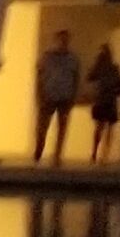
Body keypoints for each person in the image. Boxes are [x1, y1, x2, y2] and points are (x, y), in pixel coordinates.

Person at [32, 30, 82, 163]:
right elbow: (39, 77)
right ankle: (38, 151)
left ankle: (57, 154)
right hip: (48, 96)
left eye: (66, 40)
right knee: (43, 127)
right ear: (56, 40)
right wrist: (39, 95)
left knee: (62, 128)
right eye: (61, 40)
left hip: (65, 97)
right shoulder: (46, 57)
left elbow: (76, 78)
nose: (64, 43)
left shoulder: (73, 59)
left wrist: (73, 96)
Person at [85, 44, 120, 162]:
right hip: (105, 100)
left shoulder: (110, 68)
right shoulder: (108, 68)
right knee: (104, 128)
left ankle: (100, 152)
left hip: (105, 100)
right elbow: (90, 78)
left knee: (103, 128)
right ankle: (100, 152)